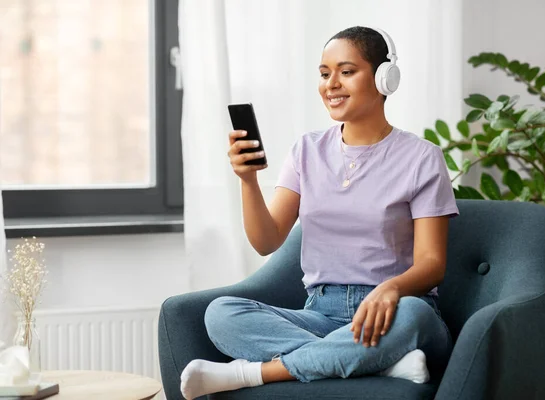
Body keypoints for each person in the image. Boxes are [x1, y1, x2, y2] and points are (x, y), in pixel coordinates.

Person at [179, 26, 459, 400]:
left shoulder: (422, 157)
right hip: (320, 314)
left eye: (346, 71)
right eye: (325, 73)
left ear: (383, 78)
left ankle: (253, 373)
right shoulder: (306, 151)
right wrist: (247, 181)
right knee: (221, 314)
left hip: (394, 310)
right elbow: (266, 241)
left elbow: (432, 263)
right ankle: (379, 361)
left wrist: (390, 289)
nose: (331, 84)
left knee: (414, 318)